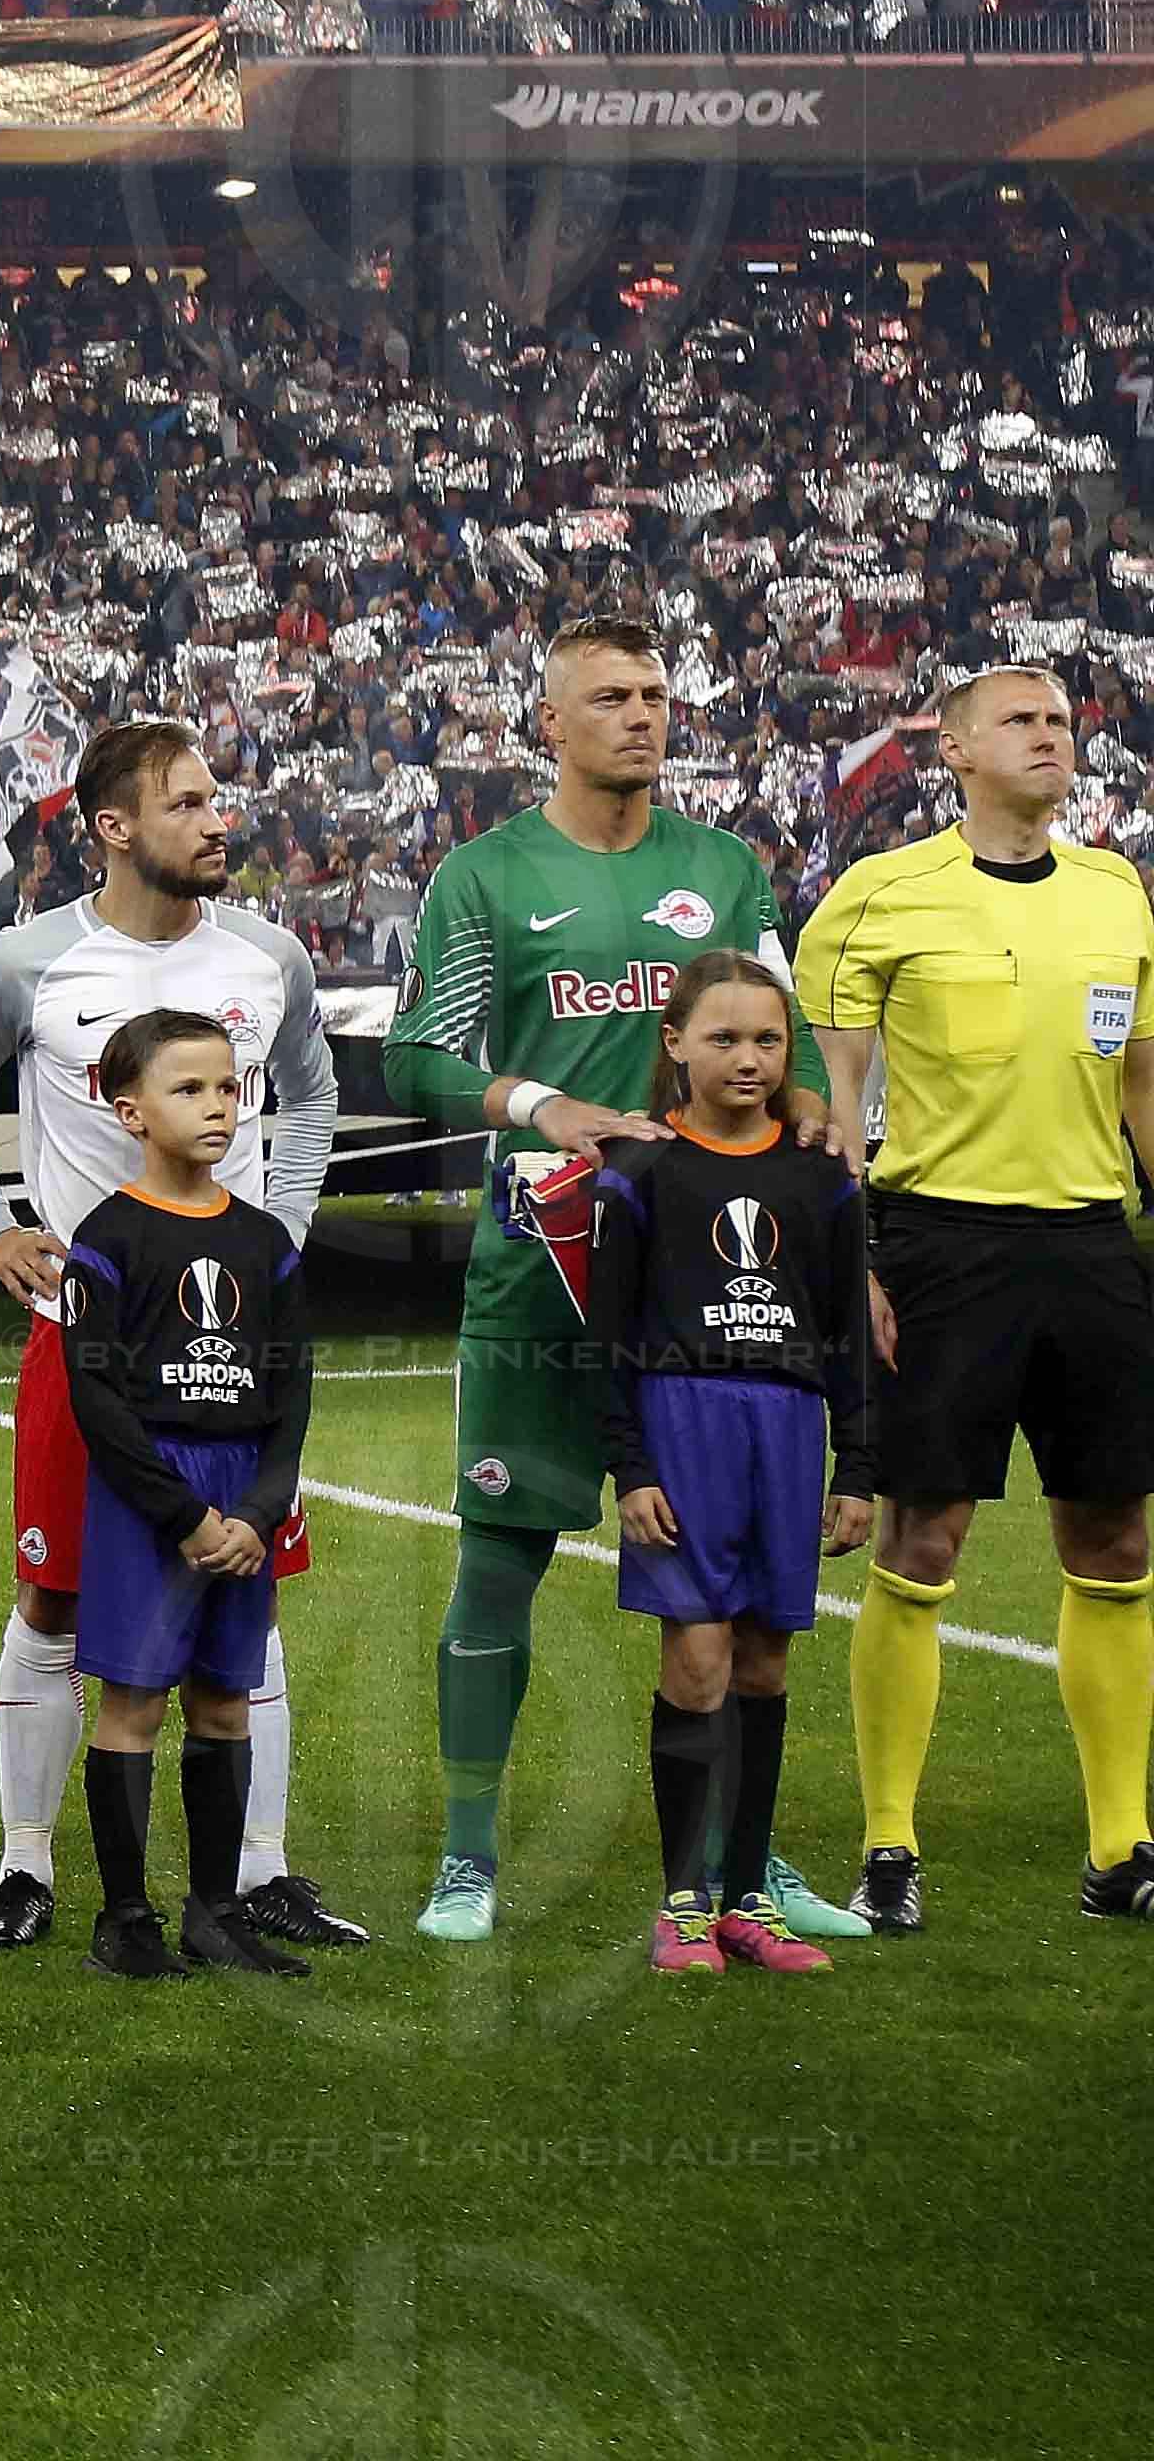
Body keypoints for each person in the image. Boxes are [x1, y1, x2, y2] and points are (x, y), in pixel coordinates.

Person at [389, 617, 849, 1944]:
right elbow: (419, 1055)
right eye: (611, 696)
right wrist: (546, 1107)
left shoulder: (722, 867)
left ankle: (743, 1864)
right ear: (550, 722)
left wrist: (818, 1126)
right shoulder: (486, 874)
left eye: (655, 694)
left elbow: (786, 1030)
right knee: (501, 1561)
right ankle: (468, 1860)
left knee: (747, 1591)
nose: (642, 716)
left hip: (715, 1291)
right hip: (546, 1272)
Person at [0, 720, 358, 1951]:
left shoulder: (270, 958)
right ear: (113, 827)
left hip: (232, 1347)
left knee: (248, 1591)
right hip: (92, 1341)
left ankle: (258, 1872)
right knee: (53, 1598)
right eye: (189, 803)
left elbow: (315, 1090)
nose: (221, 821)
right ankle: (27, 1867)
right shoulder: (23, 964)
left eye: (221, 799)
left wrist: (287, 1227)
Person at [794, 662, 1154, 1932]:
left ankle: (1123, 1849)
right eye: (1022, 719)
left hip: (1092, 1247)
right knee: (923, 1540)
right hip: (940, 1247)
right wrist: (856, 1264)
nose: (1052, 736)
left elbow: (1143, 1088)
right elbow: (832, 1105)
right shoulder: (878, 898)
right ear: (953, 749)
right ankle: (889, 1847)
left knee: (1115, 1541)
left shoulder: (1119, 894)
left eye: (1062, 720)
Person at [580, 952, 877, 1974]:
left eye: (767, 1040)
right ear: (674, 1045)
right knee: (696, 1658)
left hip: (786, 1430)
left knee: (763, 1659)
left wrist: (858, 1469)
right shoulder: (642, 1170)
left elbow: (844, 1332)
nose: (747, 1058)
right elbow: (607, 1335)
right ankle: (684, 1903)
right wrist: (633, 1469)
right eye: (722, 1038)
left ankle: (751, 1897)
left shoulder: (819, 1174)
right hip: (682, 1422)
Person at [62, 1009, 316, 1982]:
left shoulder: (266, 1242)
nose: (218, 1105)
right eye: (189, 1089)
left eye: (227, 1087)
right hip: (149, 1499)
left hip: (240, 1496)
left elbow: (290, 1391)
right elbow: (98, 1395)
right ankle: (125, 1920)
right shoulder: (110, 1237)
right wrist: (183, 1516)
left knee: (224, 1705)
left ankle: (216, 1911)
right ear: (130, 1111)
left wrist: (257, 1511)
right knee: (134, 1706)